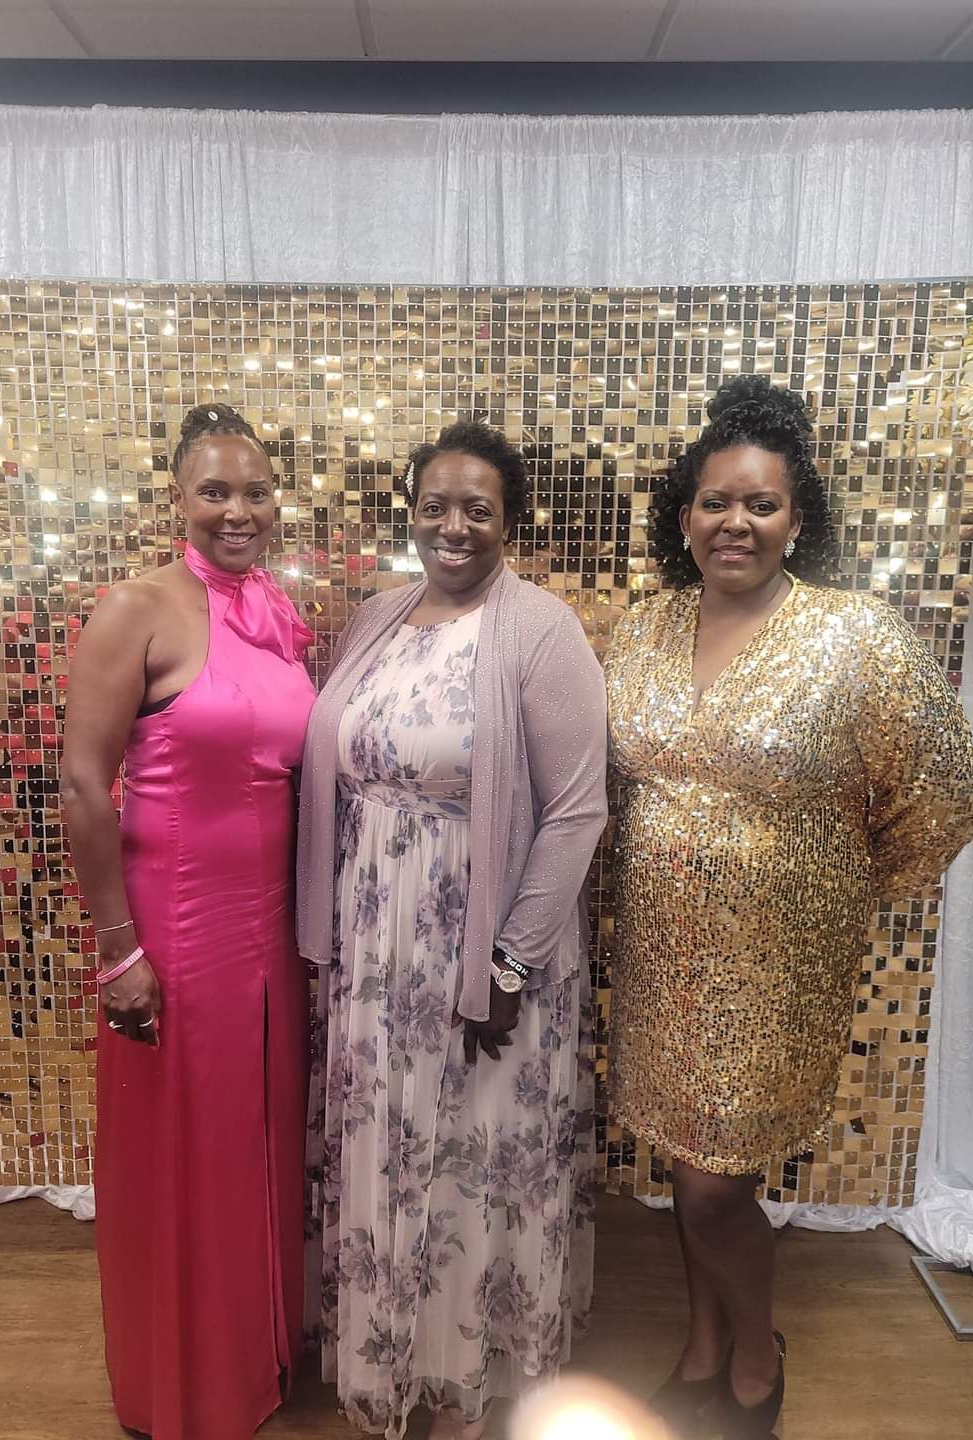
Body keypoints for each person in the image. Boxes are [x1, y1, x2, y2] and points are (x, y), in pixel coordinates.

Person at [603, 375, 973, 1439]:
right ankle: (704, 1343)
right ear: (685, 515)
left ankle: (757, 1355)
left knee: (719, 1187)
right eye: (716, 501)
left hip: (784, 957)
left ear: (797, 519)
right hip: (667, 953)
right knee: (688, 1166)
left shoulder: (854, 635)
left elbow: (943, 784)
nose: (737, 522)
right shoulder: (644, 629)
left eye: (761, 504)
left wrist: (861, 887)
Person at [297, 421, 607, 1440]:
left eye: (478, 508)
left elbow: (575, 811)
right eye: (436, 505)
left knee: (469, 1157)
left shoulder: (540, 629)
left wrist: (511, 962)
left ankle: (463, 1380)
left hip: (481, 951)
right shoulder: (381, 615)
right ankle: (400, 1360)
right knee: (389, 1148)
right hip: (375, 952)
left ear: (510, 521)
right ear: (412, 513)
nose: (454, 526)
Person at [61, 403, 316, 1440]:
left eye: (256, 491)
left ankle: (254, 1357)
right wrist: (119, 951)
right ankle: (180, 1387)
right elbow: (83, 785)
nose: (238, 509)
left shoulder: (274, 612)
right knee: (181, 1157)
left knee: (254, 1145)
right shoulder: (138, 608)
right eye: (215, 490)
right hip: (172, 929)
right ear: (176, 497)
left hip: (270, 932)